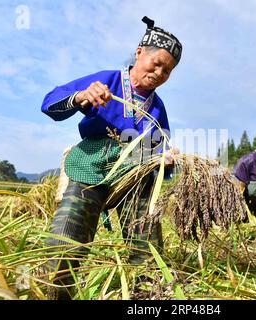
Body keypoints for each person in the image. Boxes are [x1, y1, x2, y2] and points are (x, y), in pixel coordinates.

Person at [41, 16, 182, 300]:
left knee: (146, 240)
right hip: (91, 166)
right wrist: (82, 95)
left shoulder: (158, 109)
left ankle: (145, 294)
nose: (159, 73)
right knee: (67, 237)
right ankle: (53, 292)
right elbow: (49, 102)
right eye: (157, 63)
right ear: (140, 53)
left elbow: (159, 152)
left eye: (167, 71)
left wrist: (165, 160)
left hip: (134, 177)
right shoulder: (108, 80)